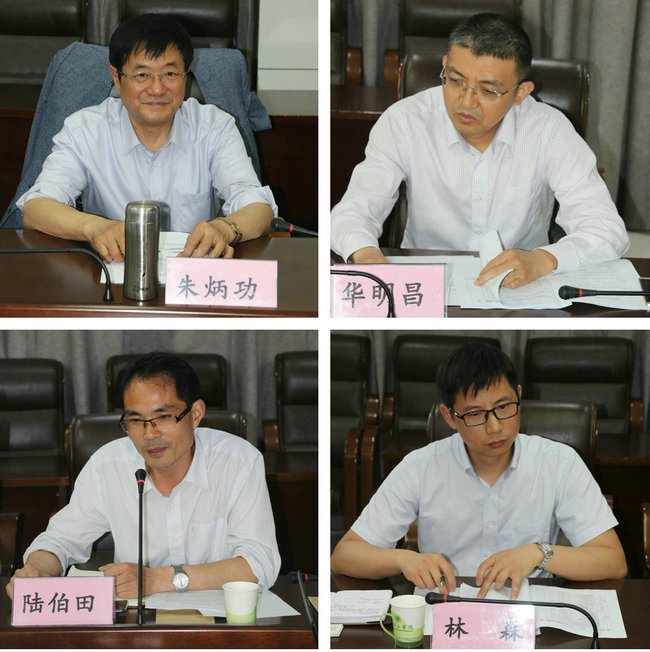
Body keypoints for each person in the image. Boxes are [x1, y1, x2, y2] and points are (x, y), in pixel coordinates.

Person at [330, 13, 629, 290]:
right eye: (455, 80)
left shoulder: (549, 131)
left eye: (487, 90)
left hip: (518, 288)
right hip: (424, 284)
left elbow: (606, 230)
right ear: (445, 65)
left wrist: (544, 259)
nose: (466, 102)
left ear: (520, 93)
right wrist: (367, 255)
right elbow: (352, 213)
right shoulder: (405, 121)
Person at [330, 342, 627, 599]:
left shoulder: (559, 462)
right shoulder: (420, 466)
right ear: (449, 417)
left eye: (504, 407)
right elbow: (344, 556)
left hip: (526, 613)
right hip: (446, 612)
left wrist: (540, 553)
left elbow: (613, 561)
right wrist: (402, 559)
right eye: (475, 414)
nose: (495, 427)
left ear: (519, 395)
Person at [6, 352, 280, 600]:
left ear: (196, 414)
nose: (150, 434)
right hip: (138, 620)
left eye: (164, 417)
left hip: (222, 618)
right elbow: (59, 540)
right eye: (136, 420)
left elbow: (260, 564)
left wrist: (158, 579)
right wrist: (37, 571)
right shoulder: (107, 465)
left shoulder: (238, 462)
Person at [16, 14, 276, 263]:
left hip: (190, 272)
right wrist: (95, 228)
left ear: (186, 76)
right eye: (142, 75)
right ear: (117, 78)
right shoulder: (85, 129)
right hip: (112, 271)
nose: (157, 89)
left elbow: (259, 207)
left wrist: (225, 229)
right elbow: (36, 207)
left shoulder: (214, 127)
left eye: (170, 74)